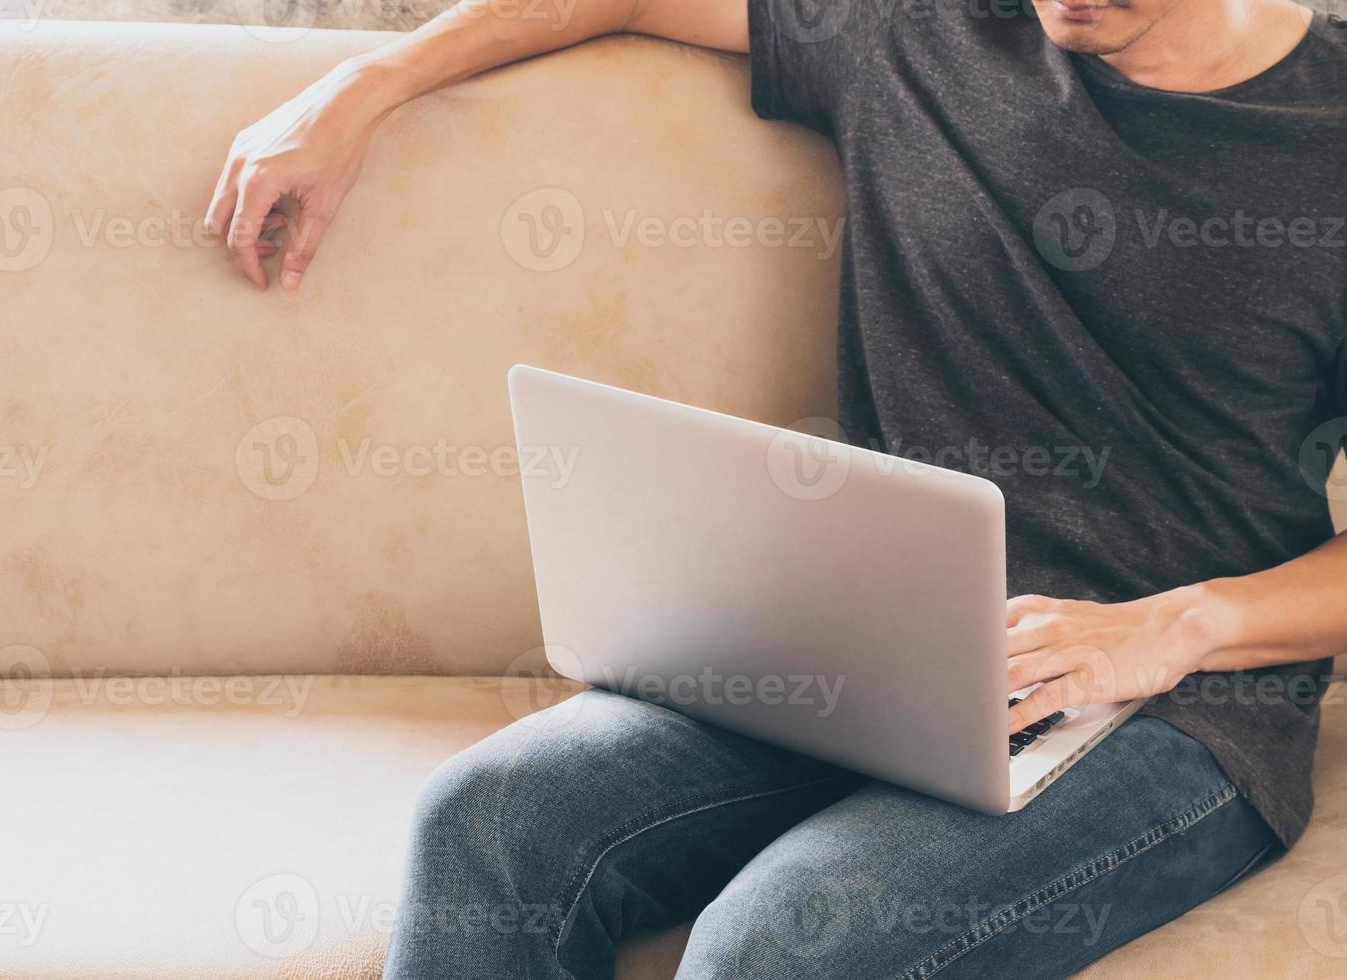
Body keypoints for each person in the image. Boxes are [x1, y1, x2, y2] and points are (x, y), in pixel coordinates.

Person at [206, 0, 1347, 975]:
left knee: (777, 943)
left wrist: (1175, 626)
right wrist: (363, 85)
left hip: (1173, 701)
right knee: (491, 821)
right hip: (872, 650)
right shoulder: (917, 30)